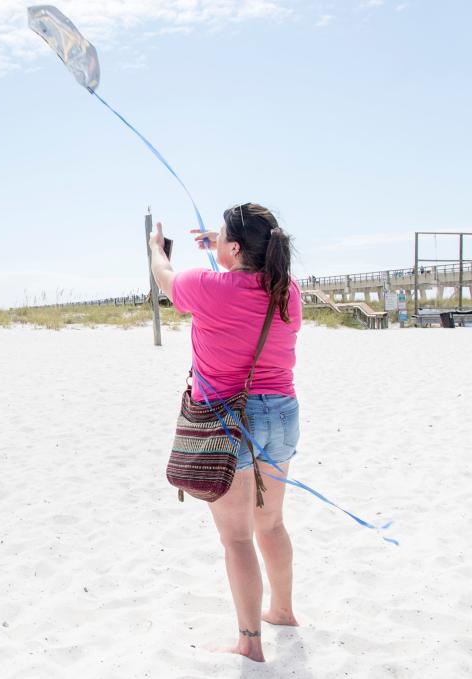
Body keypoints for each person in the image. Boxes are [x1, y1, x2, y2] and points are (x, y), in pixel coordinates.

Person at [147, 203, 301, 663]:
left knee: (237, 538)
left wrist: (157, 248)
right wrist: (223, 246)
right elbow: (248, 277)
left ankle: (250, 643)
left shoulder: (206, 287)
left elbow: (166, 278)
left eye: (223, 240)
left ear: (234, 248)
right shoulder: (286, 289)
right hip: (283, 413)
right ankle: (283, 611)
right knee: (270, 522)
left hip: (232, 420)